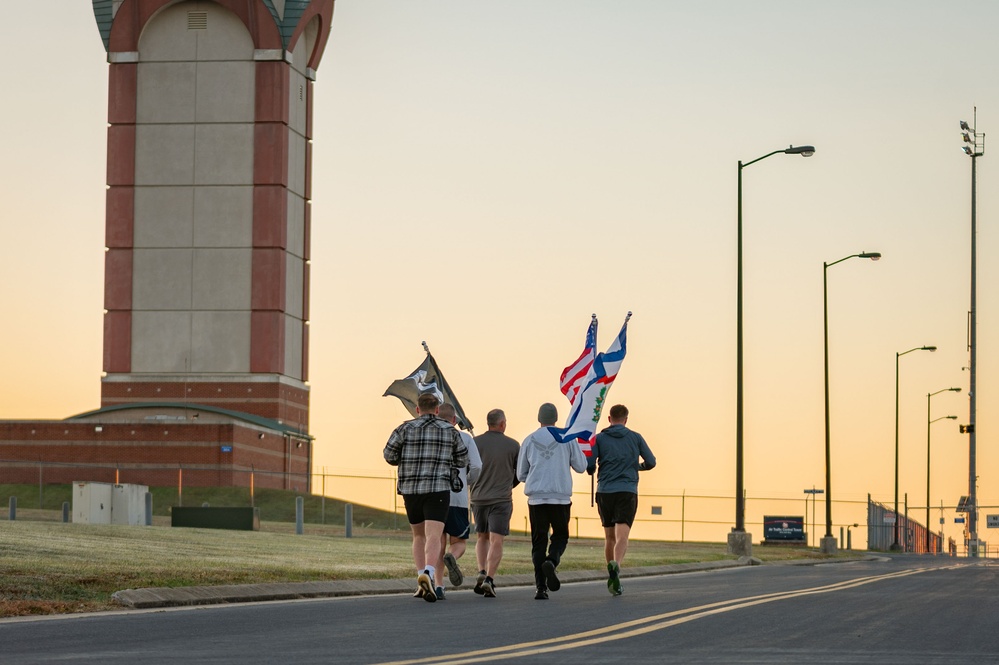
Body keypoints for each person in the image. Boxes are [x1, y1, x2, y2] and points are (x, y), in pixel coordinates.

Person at [383, 392, 468, 604]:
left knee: (418, 536)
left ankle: (421, 574)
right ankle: (429, 573)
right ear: (437, 410)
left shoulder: (404, 429)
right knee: (434, 535)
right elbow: (462, 459)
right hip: (438, 488)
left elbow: (389, 455)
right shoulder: (450, 431)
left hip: (411, 489)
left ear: (417, 409)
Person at [517, 402, 587, 600]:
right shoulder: (567, 437)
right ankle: (552, 560)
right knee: (560, 536)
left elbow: (521, 473)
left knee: (538, 542)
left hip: (537, 498)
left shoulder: (529, 440)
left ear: (539, 418)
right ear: (555, 418)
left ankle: (541, 588)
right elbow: (581, 466)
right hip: (561, 497)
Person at [588, 404, 656, 596]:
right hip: (627, 490)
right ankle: (616, 565)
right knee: (622, 536)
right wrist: (637, 467)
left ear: (609, 419)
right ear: (626, 419)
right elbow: (651, 462)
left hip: (605, 491)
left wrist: (592, 467)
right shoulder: (635, 437)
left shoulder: (599, 438)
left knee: (609, 537)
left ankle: (612, 575)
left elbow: (590, 464)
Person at [431, 403, 482, 600]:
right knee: (459, 541)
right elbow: (477, 466)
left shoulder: (432, 435)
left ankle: (438, 584)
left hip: (435, 495)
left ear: (436, 416)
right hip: (458, 496)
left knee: (437, 540)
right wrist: (466, 480)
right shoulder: (465, 438)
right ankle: (453, 556)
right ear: (454, 420)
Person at [469, 408, 520, 598]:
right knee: (496, 539)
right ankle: (490, 578)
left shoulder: (475, 443)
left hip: (478, 498)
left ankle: (481, 570)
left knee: (481, 537)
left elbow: (468, 468)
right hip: (501, 499)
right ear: (502, 423)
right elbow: (520, 473)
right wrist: (509, 484)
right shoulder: (513, 446)